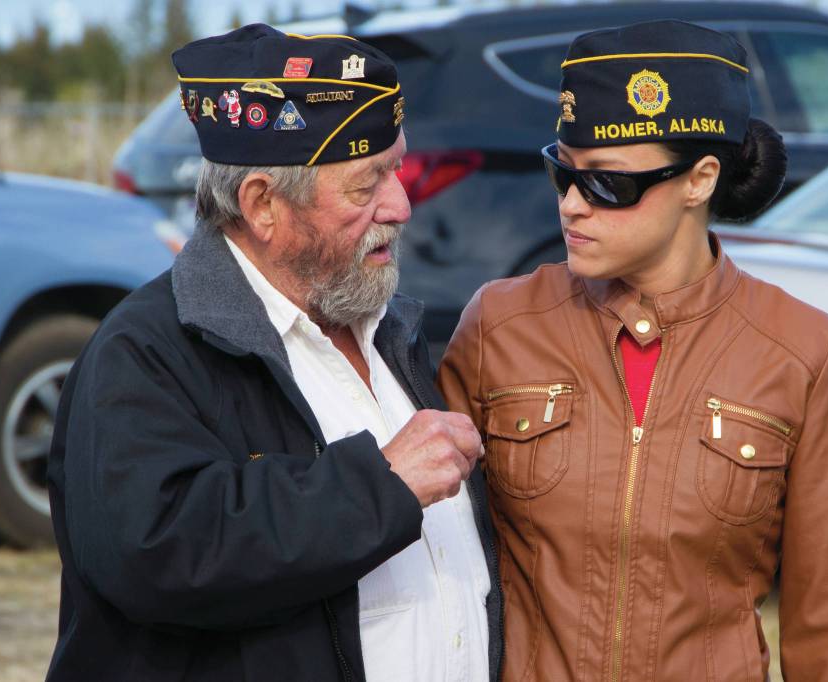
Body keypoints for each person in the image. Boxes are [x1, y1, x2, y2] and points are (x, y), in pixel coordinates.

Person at [46, 24, 502, 682]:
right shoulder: (146, 351)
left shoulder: (391, 331)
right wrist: (383, 486)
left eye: (396, 169)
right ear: (262, 204)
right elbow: (157, 554)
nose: (400, 205)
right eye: (364, 185)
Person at [438, 20, 828, 681]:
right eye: (563, 172)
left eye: (608, 183)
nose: (573, 207)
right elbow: (435, 571)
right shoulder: (499, 325)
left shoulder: (801, 351)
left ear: (700, 180)